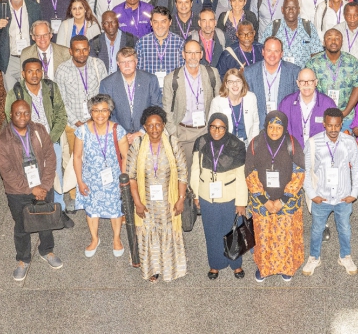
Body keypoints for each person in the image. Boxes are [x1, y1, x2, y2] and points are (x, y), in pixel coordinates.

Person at [0, 99, 63, 281]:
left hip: (43, 186)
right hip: (18, 192)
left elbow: (50, 157)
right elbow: (7, 172)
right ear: (11, 114)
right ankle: (23, 259)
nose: (22, 117)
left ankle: (46, 250)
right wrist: (31, 189)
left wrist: (45, 185)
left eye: (26, 113)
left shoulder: (39, 130)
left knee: (46, 221)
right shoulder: (2, 140)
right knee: (22, 225)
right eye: (18, 113)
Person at [127, 105, 188, 282]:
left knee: (168, 230)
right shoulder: (137, 145)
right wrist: (137, 203)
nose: (154, 129)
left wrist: (181, 199)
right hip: (146, 201)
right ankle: (152, 269)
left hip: (169, 200)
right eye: (150, 125)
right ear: (144, 127)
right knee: (147, 232)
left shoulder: (173, 143)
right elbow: (131, 177)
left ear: (164, 125)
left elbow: (183, 173)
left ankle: (169, 268)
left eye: (158, 125)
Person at [245, 111, 306, 282]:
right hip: (261, 200)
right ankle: (263, 267)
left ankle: (286, 267)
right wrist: (264, 200)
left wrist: (283, 199)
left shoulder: (292, 144)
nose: (274, 131)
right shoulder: (256, 144)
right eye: (271, 127)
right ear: (266, 126)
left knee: (286, 235)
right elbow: (250, 173)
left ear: (284, 128)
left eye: (278, 127)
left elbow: (299, 173)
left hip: (287, 200)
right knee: (264, 235)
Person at [302, 107, 358, 276]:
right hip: (322, 197)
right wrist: (313, 195)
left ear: (341, 124)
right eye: (330, 126)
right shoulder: (313, 143)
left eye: (337, 126)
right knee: (316, 229)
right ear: (324, 124)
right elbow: (305, 171)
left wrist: (354, 192)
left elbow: (356, 168)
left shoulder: (349, 142)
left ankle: (345, 256)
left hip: (343, 197)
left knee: (345, 229)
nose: (333, 130)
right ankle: (314, 257)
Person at [3, 57, 68, 205]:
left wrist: (49, 140)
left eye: (38, 70)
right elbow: (10, 118)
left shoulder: (51, 87)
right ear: (23, 73)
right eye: (30, 71)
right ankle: (37, 209)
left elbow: (61, 115)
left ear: (42, 72)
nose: (34, 75)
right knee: (32, 176)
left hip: (51, 140)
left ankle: (59, 208)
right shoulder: (16, 93)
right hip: (28, 144)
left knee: (55, 174)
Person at [190, 113, 248, 279]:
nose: (217, 130)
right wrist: (195, 194)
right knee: (211, 231)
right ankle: (215, 264)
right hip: (206, 196)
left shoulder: (236, 145)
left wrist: (241, 202)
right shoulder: (201, 142)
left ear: (226, 128)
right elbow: (195, 170)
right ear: (209, 127)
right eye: (213, 126)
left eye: (221, 127)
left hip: (229, 196)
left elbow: (241, 176)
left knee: (232, 231)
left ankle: (236, 264)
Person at [74, 94, 130, 257]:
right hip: (90, 179)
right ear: (90, 112)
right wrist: (80, 181)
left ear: (110, 112)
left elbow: (126, 156)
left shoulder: (117, 130)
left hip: (113, 179)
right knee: (92, 210)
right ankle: (94, 238)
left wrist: (124, 179)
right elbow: (77, 157)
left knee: (115, 210)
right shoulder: (82, 131)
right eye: (96, 110)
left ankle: (117, 239)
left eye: (104, 110)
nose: (100, 114)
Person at [162, 40, 221, 164]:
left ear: (201, 54)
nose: (193, 57)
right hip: (183, 134)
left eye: (196, 53)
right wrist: (174, 132)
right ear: (183, 54)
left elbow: (219, 104)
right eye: (189, 53)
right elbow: (166, 110)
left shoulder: (212, 74)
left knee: (206, 171)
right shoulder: (171, 79)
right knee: (186, 175)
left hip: (206, 131)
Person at [305, 28, 358, 124]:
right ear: (324, 42)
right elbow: (307, 89)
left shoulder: (352, 62)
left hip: (346, 117)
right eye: (329, 38)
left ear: (342, 42)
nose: (333, 41)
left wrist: (345, 112)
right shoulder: (313, 63)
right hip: (320, 117)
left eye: (337, 38)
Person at [99, 47, 162, 137]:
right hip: (117, 135)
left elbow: (156, 107)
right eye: (123, 62)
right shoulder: (107, 84)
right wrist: (122, 134)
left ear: (136, 62)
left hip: (146, 133)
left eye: (130, 61)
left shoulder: (150, 80)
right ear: (118, 64)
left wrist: (142, 131)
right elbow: (107, 112)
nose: (127, 65)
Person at [244, 36, 300, 122]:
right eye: (269, 51)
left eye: (276, 51)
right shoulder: (249, 73)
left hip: (285, 125)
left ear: (282, 53)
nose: (272, 55)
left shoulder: (294, 72)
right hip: (258, 126)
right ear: (263, 52)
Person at [279, 67, 337, 149]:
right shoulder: (286, 103)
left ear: (316, 82)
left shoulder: (328, 104)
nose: (306, 85)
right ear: (298, 83)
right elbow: (280, 131)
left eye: (310, 81)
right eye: (302, 82)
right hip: (293, 155)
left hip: (320, 155)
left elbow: (333, 134)